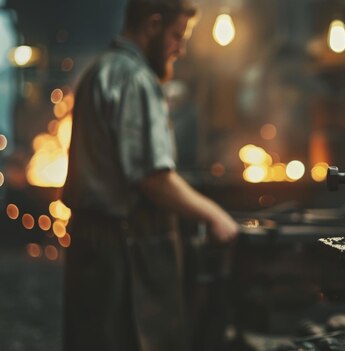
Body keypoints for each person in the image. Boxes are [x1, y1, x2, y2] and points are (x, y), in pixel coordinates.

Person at [61, 0, 239, 350]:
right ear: (152, 24)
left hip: (92, 248)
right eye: (177, 35)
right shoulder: (135, 78)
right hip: (123, 254)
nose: (181, 48)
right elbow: (152, 178)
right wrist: (215, 215)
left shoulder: (100, 70)